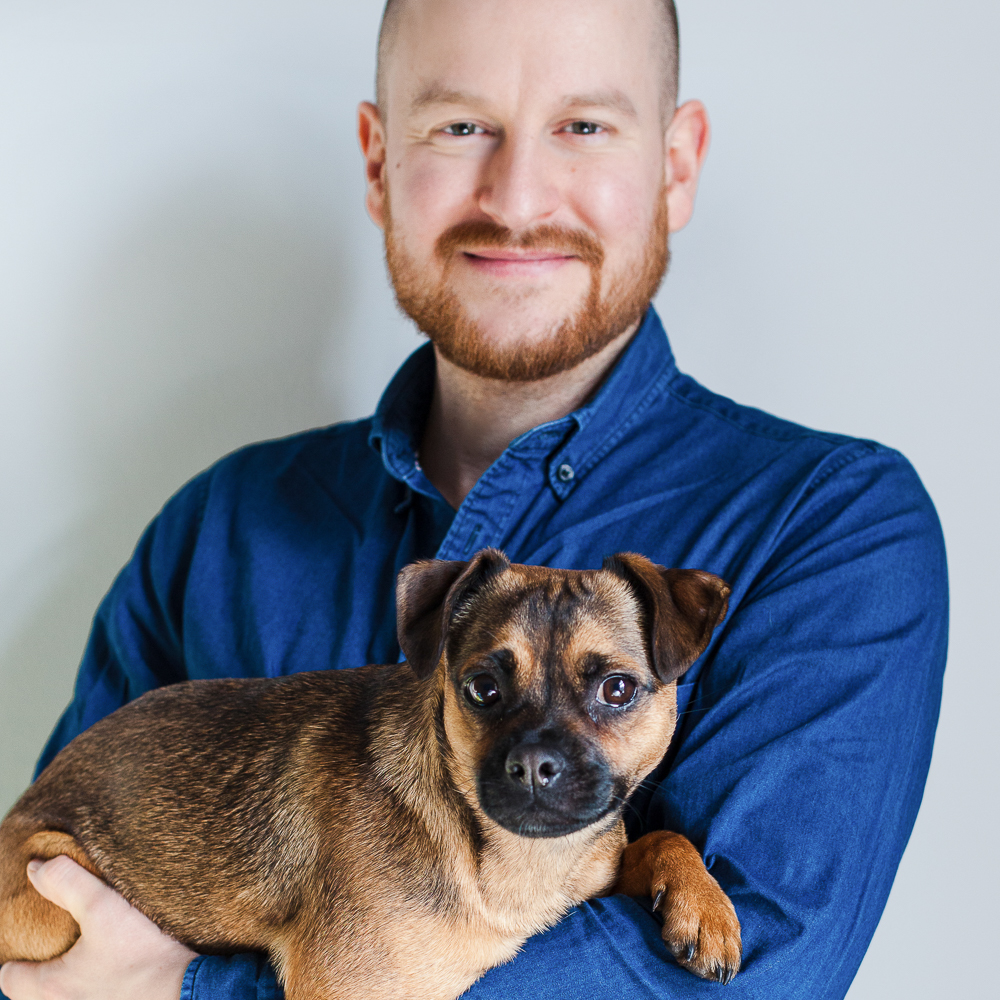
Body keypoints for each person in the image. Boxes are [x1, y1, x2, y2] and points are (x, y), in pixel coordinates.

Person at [0, 0, 948, 998]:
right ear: (376, 161)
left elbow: (756, 974)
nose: (519, 193)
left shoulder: (830, 526)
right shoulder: (217, 530)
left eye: (582, 126)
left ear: (675, 163)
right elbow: (40, 951)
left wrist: (183, 987)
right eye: (461, 126)